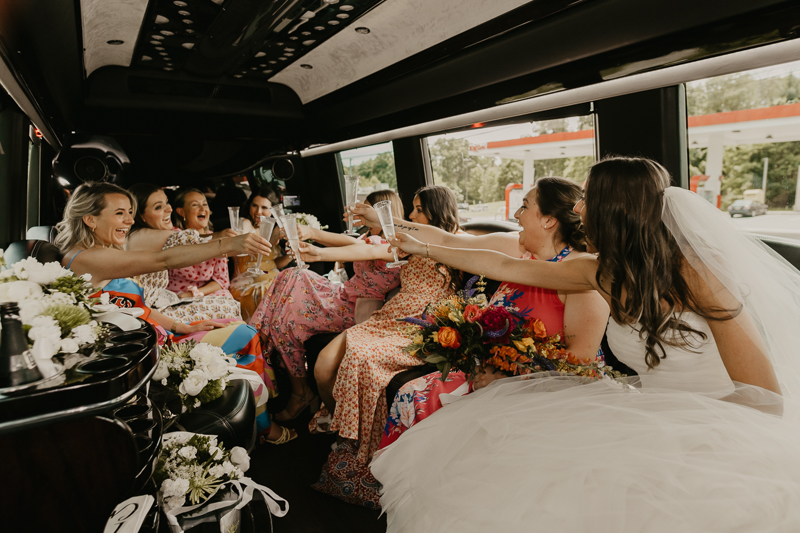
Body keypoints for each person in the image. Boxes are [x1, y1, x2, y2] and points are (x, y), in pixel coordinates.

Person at [372, 157, 800, 531]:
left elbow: (765, 399)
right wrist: (423, 245)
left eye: (587, 197)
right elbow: (502, 264)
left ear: (617, 209)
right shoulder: (601, 271)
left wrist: (704, 451)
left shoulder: (700, 274)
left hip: (722, 423)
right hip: (648, 412)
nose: (577, 208)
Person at [366, 177, 609, 448]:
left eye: (524, 207)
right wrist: (385, 221)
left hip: (546, 386)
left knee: (418, 399)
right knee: (409, 393)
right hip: (493, 369)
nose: (516, 215)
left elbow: (578, 362)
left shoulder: (579, 276)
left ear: (548, 220)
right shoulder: (518, 251)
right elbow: (448, 240)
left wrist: (507, 379)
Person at [56, 182, 295, 445]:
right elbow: (164, 260)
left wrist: (182, 326)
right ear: (90, 219)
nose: (129, 220)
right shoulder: (84, 259)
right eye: (120, 213)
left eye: (130, 212)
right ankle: (264, 427)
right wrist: (228, 244)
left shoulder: (98, 251)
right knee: (244, 333)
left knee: (236, 328)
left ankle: (263, 413)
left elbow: (137, 308)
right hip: (149, 352)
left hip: (154, 335)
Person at [320, 185, 462, 464]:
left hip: (423, 322)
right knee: (324, 363)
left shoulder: (455, 242)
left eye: (419, 210)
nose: (410, 214)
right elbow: (371, 250)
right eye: (412, 208)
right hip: (392, 314)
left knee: (361, 358)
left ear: (438, 211)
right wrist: (318, 250)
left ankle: (366, 446)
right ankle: (348, 430)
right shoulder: (406, 242)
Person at [249, 189, 404, 423]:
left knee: (285, 321)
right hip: (343, 295)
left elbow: (369, 249)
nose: (361, 218)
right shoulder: (371, 236)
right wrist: (311, 232)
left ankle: (296, 387)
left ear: (384, 213)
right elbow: (352, 241)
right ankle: (257, 333)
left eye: (365, 212)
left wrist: (319, 253)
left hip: (355, 310)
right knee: (291, 274)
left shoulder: (393, 245)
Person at [168, 188, 240, 310]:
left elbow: (221, 281)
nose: (202, 209)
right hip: (177, 296)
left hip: (206, 294)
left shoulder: (218, 239)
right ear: (181, 212)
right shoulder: (174, 236)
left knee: (229, 305)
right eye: (195, 205)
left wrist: (196, 293)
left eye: (205, 204)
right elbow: (190, 241)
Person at [229, 187, 291, 321]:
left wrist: (290, 255)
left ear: (272, 210)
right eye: (254, 205)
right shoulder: (244, 223)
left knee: (292, 284)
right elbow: (241, 246)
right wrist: (271, 239)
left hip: (271, 276)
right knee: (269, 289)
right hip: (246, 281)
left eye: (264, 207)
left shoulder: (275, 229)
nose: (258, 212)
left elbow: (275, 262)